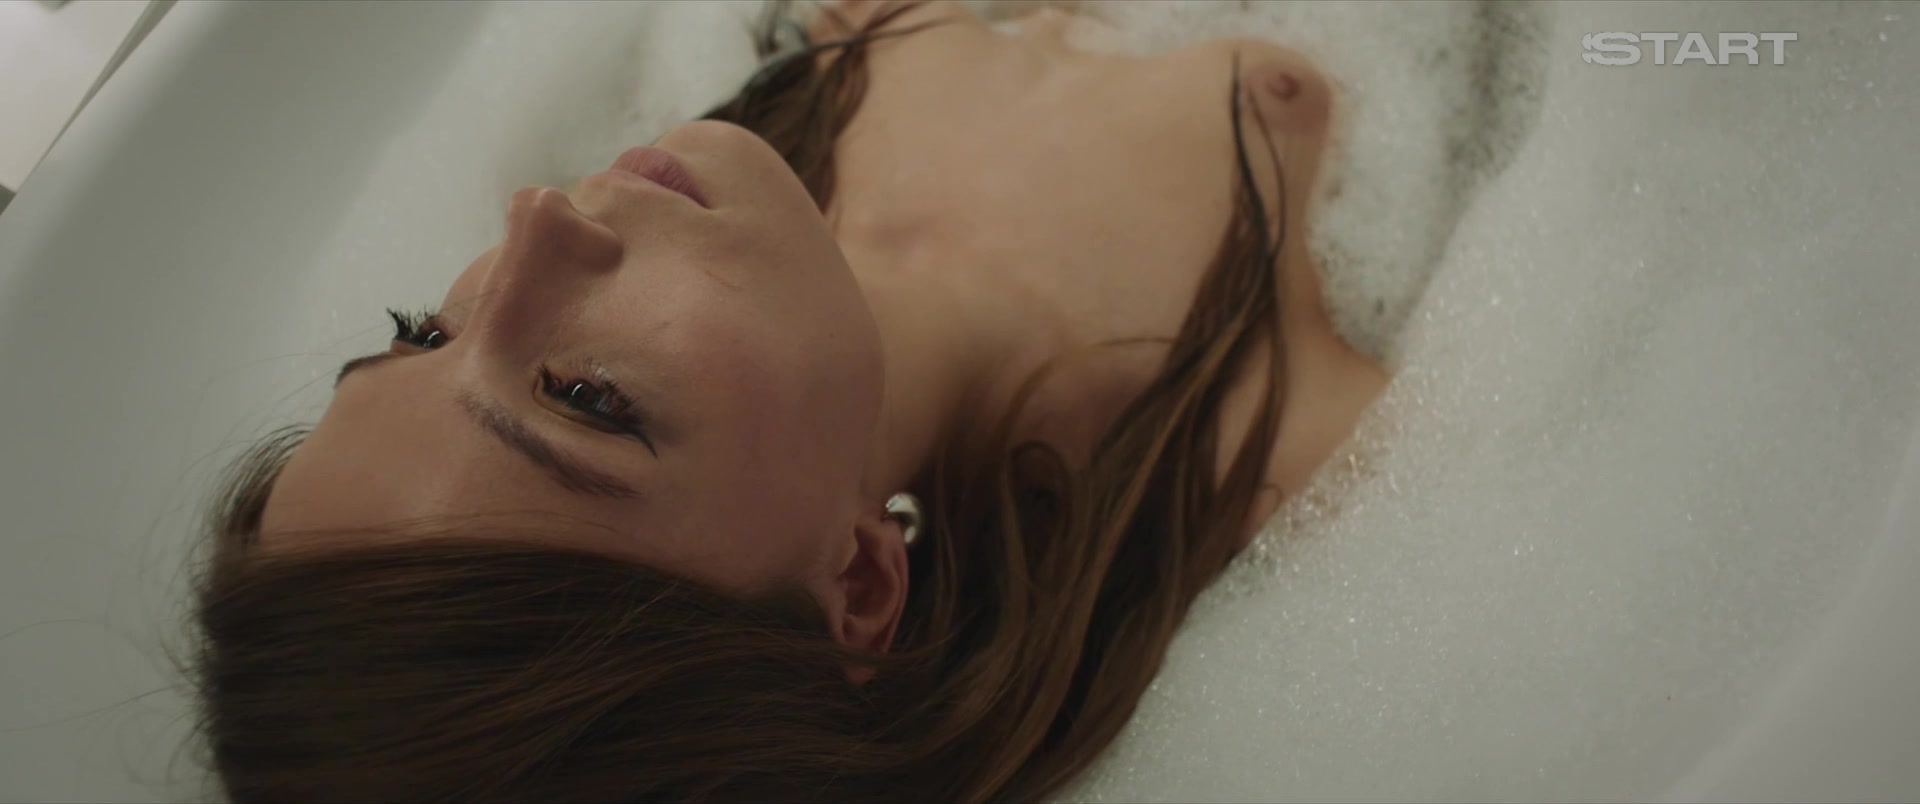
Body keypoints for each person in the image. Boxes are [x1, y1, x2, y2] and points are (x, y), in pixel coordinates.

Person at [189, 1, 1390, 801]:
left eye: (421, 333)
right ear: (857, 584)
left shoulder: (799, 85)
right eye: (589, 399)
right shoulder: (1284, 435)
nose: (533, 221)